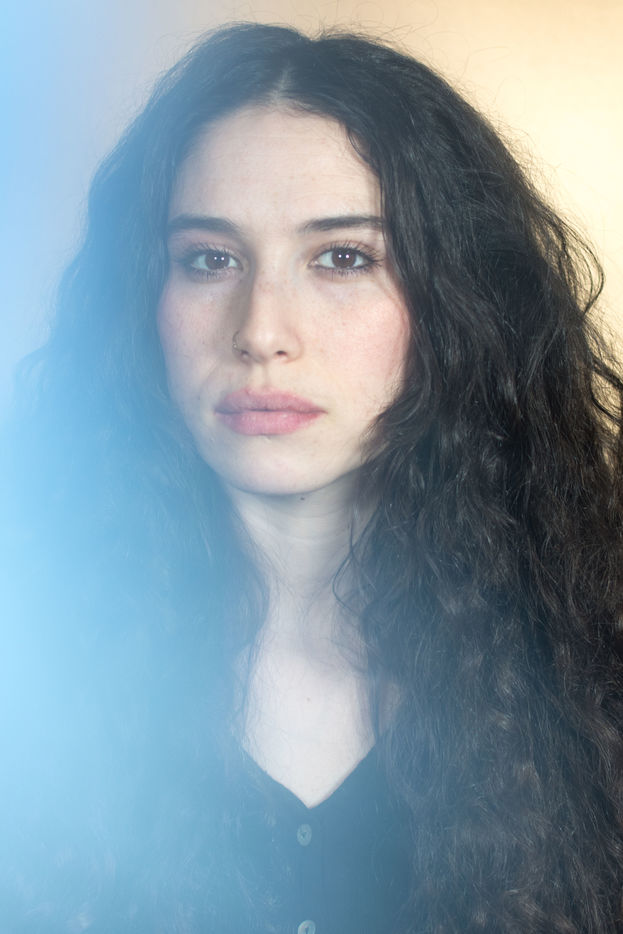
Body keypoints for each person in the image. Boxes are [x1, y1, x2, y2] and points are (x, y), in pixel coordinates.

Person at [2, 20, 623, 934]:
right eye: (210, 260)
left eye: (342, 257)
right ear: (142, 301)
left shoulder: (596, 678)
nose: (261, 331)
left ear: (456, 306)